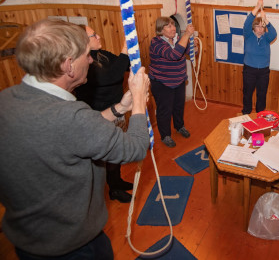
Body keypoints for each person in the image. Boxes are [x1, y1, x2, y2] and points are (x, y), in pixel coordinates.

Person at [0, 19, 150, 259]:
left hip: (28, 240)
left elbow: (76, 132)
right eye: (87, 55)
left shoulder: (7, 99)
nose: (91, 60)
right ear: (68, 65)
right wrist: (140, 101)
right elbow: (136, 147)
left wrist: (119, 108)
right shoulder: (72, 117)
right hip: (73, 246)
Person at [75, 25, 134, 203]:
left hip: (117, 109)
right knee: (104, 155)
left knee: (116, 150)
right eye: (93, 35)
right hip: (100, 114)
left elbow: (122, 66)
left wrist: (132, 60)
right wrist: (125, 50)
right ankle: (110, 190)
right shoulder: (85, 63)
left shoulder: (102, 54)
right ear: (82, 42)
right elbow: (111, 77)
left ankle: (116, 181)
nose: (98, 36)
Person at [149, 16, 195, 147]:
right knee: (165, 110)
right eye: (169, 26)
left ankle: (179, 126)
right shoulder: (156, 43)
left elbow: (187, 52)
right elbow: (173, 55)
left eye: (173, 25)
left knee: (179, 106)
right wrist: (186, 34)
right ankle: (165, 135)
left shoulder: (177, 39)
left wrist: (193, 46)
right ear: (160, 30)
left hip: (179, 80)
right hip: (162, 82)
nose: (173, 28)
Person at [242, 0, 277, 114]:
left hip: (263, 72)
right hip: (249, 70)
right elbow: (247, 23)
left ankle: (260, 116)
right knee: (247, 94)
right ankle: (246, 115)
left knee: (261, 96)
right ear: (254, 27)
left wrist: (266, 20)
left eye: (262, 27)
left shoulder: (267, 37)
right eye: (258, 26)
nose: (260, 29)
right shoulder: (248, 35)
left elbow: (274, 34)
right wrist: (257, 7)